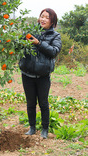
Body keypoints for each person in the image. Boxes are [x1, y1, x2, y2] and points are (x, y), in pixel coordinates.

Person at [19, 8, 62, 139]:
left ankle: (45, 128)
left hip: (43, 76)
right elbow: (18, 46)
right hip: (27, 74)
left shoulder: (55, 36)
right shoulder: (30, 32)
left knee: (43, 103)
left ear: (52, 21)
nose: (43, 19)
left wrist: (38, 43)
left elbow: (54, 51)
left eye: (47, 17)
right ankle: (32, 127)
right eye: (41, 16)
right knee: (30, 103)